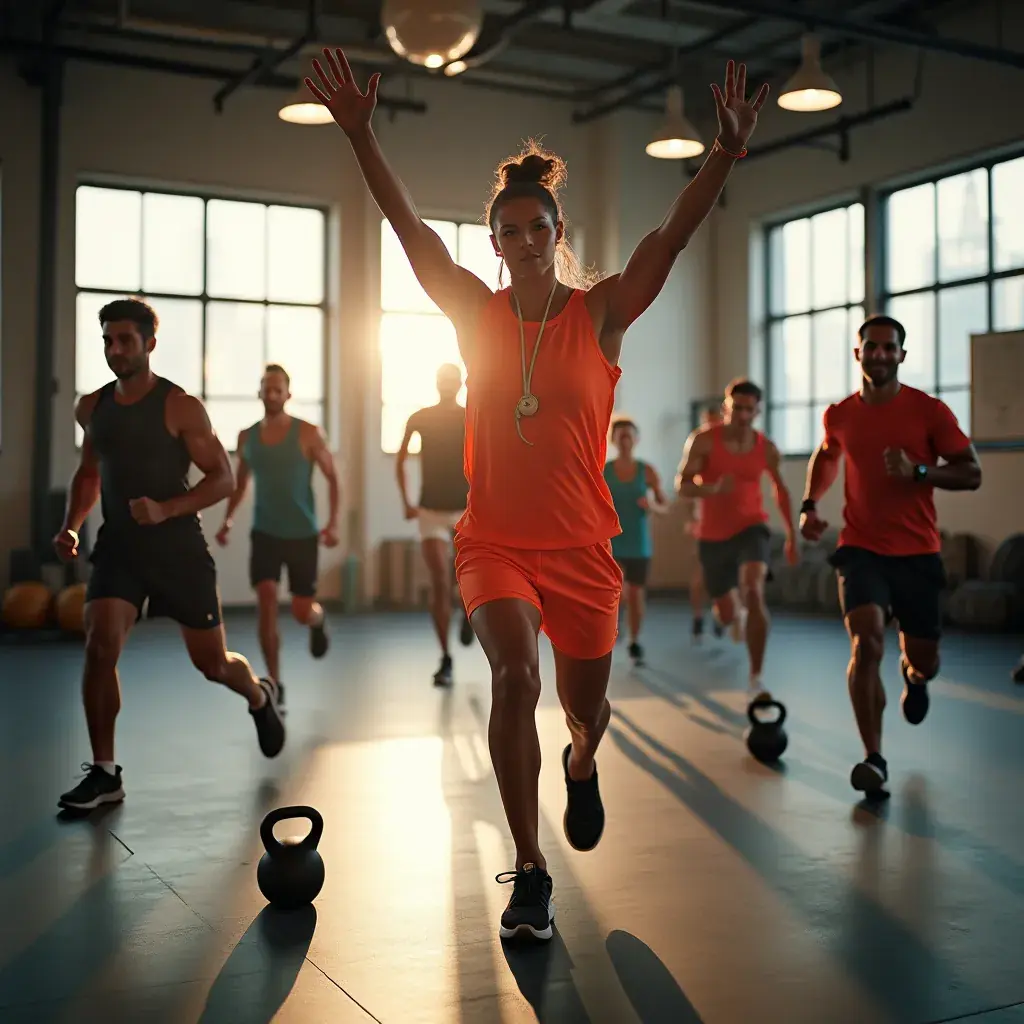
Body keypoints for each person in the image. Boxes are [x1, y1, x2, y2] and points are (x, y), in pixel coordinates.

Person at [305, 47, 768, 940]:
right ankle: (530, 871)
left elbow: (669, 238)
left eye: (536, 229)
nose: (522, 243)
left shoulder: (600, 314)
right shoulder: (472, 313)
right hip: (494, 545)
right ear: (496, 243)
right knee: (513, 678)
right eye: (507, 232)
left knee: (586, 713)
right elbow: (409, 233)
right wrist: (363, 138)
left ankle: (584, 760)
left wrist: (723, 153)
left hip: (584, 549)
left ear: (558, 235)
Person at [53, 298, 285, 812]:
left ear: (149, 344)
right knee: (99, 645)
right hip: (119, 548)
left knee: (213, 664)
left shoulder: (180, 406)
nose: (115, 351)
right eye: (108, 341)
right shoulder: (91, 408)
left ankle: (258, 695)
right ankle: (106, 773)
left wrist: (166, 509)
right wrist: (70, 525)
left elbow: (222, 478)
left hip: (179, 550)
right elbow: (90, 474)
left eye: (125, 341)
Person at [800, 314, 981, 798]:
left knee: (924, 657)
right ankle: (874, 758)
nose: (879, 354)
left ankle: (915, 676)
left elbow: (971, 473)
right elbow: (828, 453)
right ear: (857, 354)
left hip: (918, 552)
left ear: (901, 355)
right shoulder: (839, 414)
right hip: (860, 549)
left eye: (888, 347)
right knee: (866, 642)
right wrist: (810, 503)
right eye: (870, 347)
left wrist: (919, 470)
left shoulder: (929, 412)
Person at [216, 364, 340, 708]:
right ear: (259, 393)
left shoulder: (309, 433)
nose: (271, 395)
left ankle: (316, 620)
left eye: (278, 389)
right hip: (265, 532)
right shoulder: (247, 437)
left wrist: (333, 524)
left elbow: (333, 478)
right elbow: (241, 483)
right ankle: (275, 680)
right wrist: (227, 520)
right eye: (266, 389)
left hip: (302, 533)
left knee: (301, 609)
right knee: (267, 598)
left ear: (288, 394)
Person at [676, 379, 798, 701]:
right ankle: (730, 616)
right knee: (728, 613)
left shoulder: (765, 448)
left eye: (748, 409)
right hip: (713, 536)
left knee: (753, 591)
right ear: (726, 408)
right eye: (736, 408)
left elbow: (780, 491)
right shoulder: (703, 440)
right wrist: (712, 489)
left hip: (751, 527)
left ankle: (756, 678)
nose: (742, 414)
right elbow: (682, 485)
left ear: (757, 411)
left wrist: (792, 535)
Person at [396, 362, 475, 687]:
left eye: (452, 380)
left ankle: (469, 613)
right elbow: (400, 459)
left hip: (464, 510)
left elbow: (486, 457)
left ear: (460, 384)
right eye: (442, 379)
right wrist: (407, 503)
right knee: (440, 581)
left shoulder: (471, 415)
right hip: (429, 511)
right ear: (437, 383)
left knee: (466, 580)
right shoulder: (420, 417)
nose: (447, 384)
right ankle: (445, 657)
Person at [603, 416, 669, 665]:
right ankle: (612, 629)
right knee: (615, 592)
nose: (626, 440)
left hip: (639, 543)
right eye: (621, 436)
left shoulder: (647, 470)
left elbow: (665, 506)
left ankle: (634, 640)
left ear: (636, 439)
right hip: (611, 542)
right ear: (614, 440)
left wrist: (651, 505)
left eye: (630, 435)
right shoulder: (604, 470)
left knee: (635, 593)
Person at [682, 403, 724, 643]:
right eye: (707, 420)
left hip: (729, 522)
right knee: (701, 571)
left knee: (725, 573)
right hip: (704, 520)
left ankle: (720, 613)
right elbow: (688, 489)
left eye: (715, 420)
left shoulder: (728, 448)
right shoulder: (698, 447)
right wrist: (692, 518)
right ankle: (698, 616)